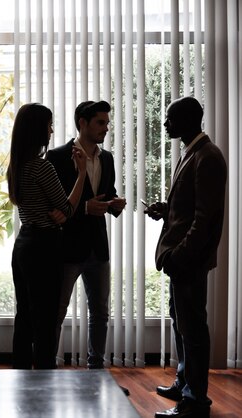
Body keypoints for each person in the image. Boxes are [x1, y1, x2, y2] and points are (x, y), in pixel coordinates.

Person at [146, 97, 226, 418]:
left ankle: (195, 401)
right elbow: (189, 210)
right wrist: (165, 211)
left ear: (189, 120)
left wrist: (180, 256)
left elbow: (205, 220)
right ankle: (184, 382)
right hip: (182, 261)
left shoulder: (208, 157)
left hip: (189, 261)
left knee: (193, 330)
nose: (165, 124)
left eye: (170, 119)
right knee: (181, 323)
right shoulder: (191, 153)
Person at [46, 100, 126, 369]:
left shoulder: (108, 158)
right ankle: (46, 371)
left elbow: (106, 192)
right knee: (56, 312)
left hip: (98, 248)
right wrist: (84, 208)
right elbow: (53, 206)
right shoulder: (56, 157)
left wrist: (115, 204)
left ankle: (96, 370)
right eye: (100, 122)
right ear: (82, 123)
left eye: (107, 122)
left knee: (100, 313)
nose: (106, 128)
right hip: (67, 248)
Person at [7, 103, 87, 369]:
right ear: (37, 130)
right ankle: (44, 379)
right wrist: (82, 173)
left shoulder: (16, 166)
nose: (52, 130)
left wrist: (60, 210)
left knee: (25, 316)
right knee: (45, 319)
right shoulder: (42, 168)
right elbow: (66, 208)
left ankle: (19, 374)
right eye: (49, 124)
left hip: (23, 245)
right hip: (44, 245)